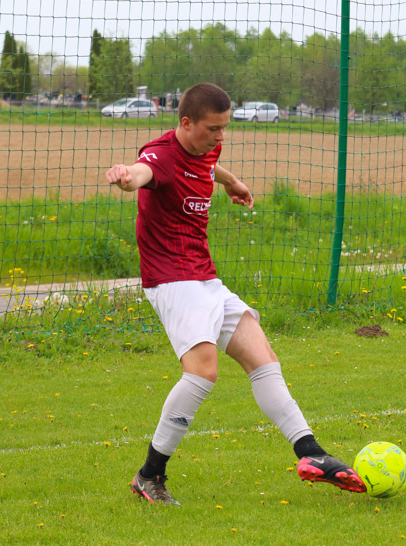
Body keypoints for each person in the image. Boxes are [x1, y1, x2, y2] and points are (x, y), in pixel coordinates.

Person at [106, 83, 365, 505]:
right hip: (171, 279)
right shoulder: (162, 156)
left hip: (204, 277)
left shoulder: (206, 148)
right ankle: (149, 475)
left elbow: (209, 166)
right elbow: (143, 172)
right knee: (203, 371)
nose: (220, 137)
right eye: (213, 129)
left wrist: (232, 182)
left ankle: (311, 453)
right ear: (186, 123)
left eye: (225, 128)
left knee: (262, 357)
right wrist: (125, 176)